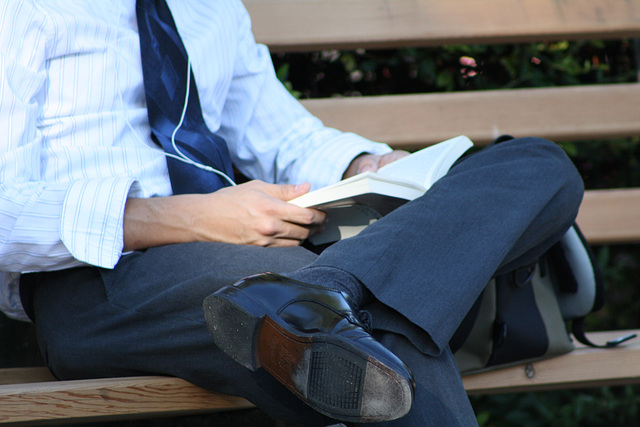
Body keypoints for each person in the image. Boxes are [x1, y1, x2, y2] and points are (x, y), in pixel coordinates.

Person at [0, 1, 584, 425]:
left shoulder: (208, 8)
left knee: (537, 165)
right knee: (377, 334)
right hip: (105, 277)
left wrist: (365, 164)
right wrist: (191, 218)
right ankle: (326, 302)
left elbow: (281, 134)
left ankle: (330, 294)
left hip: (279, 260)